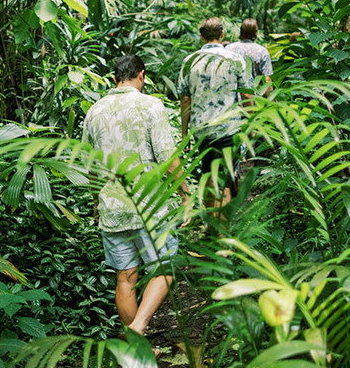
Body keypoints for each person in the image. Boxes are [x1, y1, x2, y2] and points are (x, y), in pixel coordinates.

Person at [82, 54, 189, 335]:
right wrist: (187, 195)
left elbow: (91, 167)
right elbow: (167, 157)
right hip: (149, 206)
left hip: (112, 206)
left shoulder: (94, 111)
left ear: (115, 77)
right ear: (141, 75)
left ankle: (137, 348)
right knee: (165, 267)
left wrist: (96, 203)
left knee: (126, 279)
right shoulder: (151, 106)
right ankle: (139, 326)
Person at [177, 17, 252, 203]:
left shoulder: (190, 61)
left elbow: (185, 100)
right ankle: (220, 227)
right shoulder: (235, 60)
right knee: (223, 178)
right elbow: (247, 96)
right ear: (222, 34)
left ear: (201, 37)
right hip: (228, 128)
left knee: (210, 173)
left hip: (202, 130)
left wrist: (184, 134)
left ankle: (212, 223)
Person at [226, 18, 273, 97]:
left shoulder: (229, 49)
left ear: (241, 31)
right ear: (255, 32)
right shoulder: (262, 51)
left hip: (231, 98)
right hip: (252, 99)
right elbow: (266, 80)